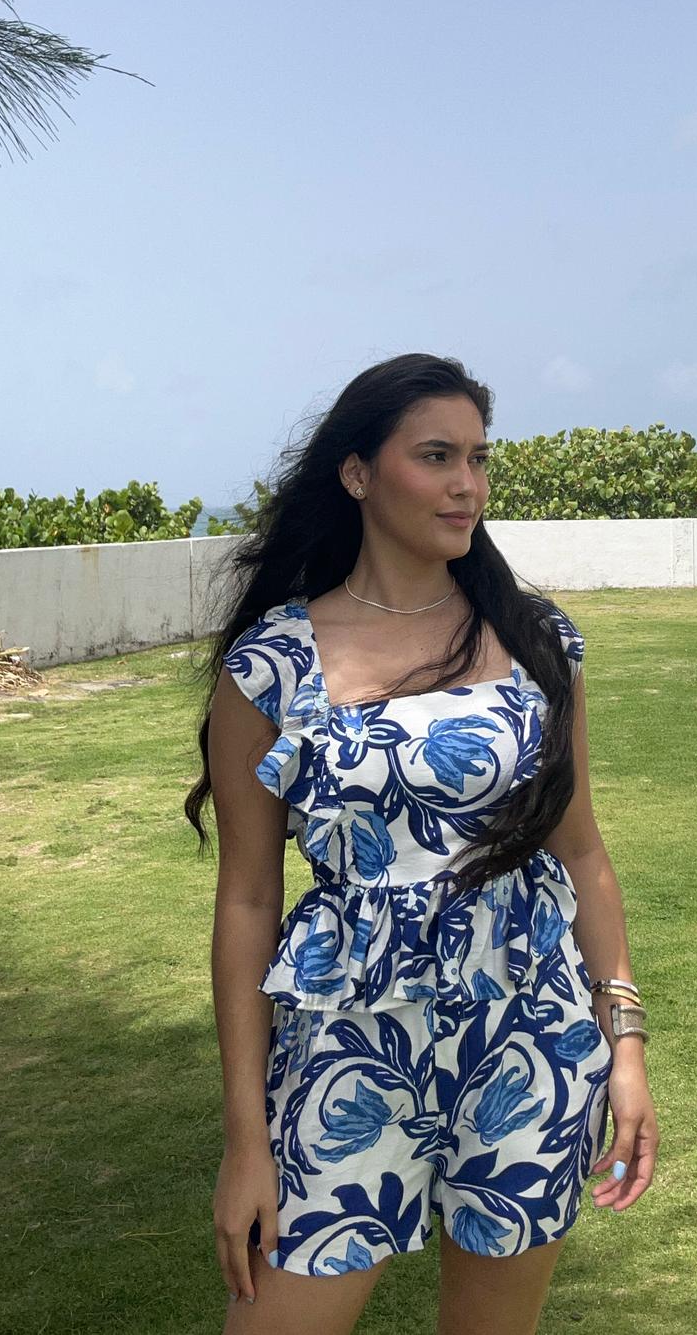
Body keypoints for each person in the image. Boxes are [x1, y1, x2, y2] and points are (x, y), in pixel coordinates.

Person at [184, 352, 659, 1334]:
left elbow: (582, 855)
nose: (467, 485)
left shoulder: (536, 642)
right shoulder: (272, 664)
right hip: (345, 1045)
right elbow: (247, 903)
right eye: (437, 456)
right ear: (358, 473)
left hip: (529, 1040)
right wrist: (245, 1140)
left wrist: (626, 1048)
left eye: (479, 460)